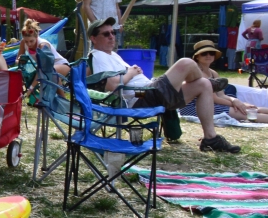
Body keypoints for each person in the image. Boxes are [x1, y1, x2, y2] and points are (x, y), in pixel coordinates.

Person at [87, 18, 241, 153]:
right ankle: (211, 83)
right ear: (93, 38)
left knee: (203, 84)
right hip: (140, 96)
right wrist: (131, 73)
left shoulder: (112, 55)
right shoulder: (97, 56)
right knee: (185, 63)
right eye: (106, 34)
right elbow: (112, 85)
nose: (111, 36)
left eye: (113, 32)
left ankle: (210, 139)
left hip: (148, 91)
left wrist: (132, 72)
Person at [189, 39, 268, 123]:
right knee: (245, 112)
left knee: (249, 108)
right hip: (197, 107)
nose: (208, 55)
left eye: (211, 53)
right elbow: (214, 98)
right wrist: (239, 104)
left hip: (211, 103)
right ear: (197, 56)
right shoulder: (198, 73)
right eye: (204, 53)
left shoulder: (213, 73)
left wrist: (235, 100)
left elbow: (221, 95)